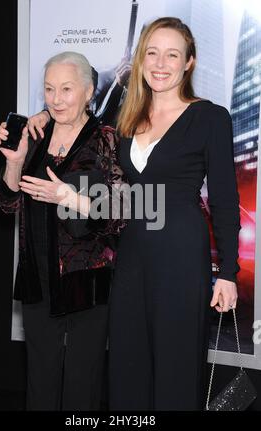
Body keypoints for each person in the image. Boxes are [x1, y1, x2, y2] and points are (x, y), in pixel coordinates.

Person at [108, 17, 240, 411]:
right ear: (140, 60)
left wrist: (228, 273)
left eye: (172, 54)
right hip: (131, 255)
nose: (160, 63)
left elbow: (223, 198)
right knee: (128, 364)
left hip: (182, 253)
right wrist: (44, 119)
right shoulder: (126, 120)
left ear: (189, 63)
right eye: (152, 53)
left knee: (176, 367)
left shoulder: (210, 117)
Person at [0, 51, 125, 411]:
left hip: (87, 280)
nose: (56, 98)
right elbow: (7, 202)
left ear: (89, 91)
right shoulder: (34, 134)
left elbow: (122, 213)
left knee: (83, 382)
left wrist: (69, 197)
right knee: (40, 379)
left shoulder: (107, 139)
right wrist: (15, 163)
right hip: (38, 278)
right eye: (49, 89)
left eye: (67, 88)